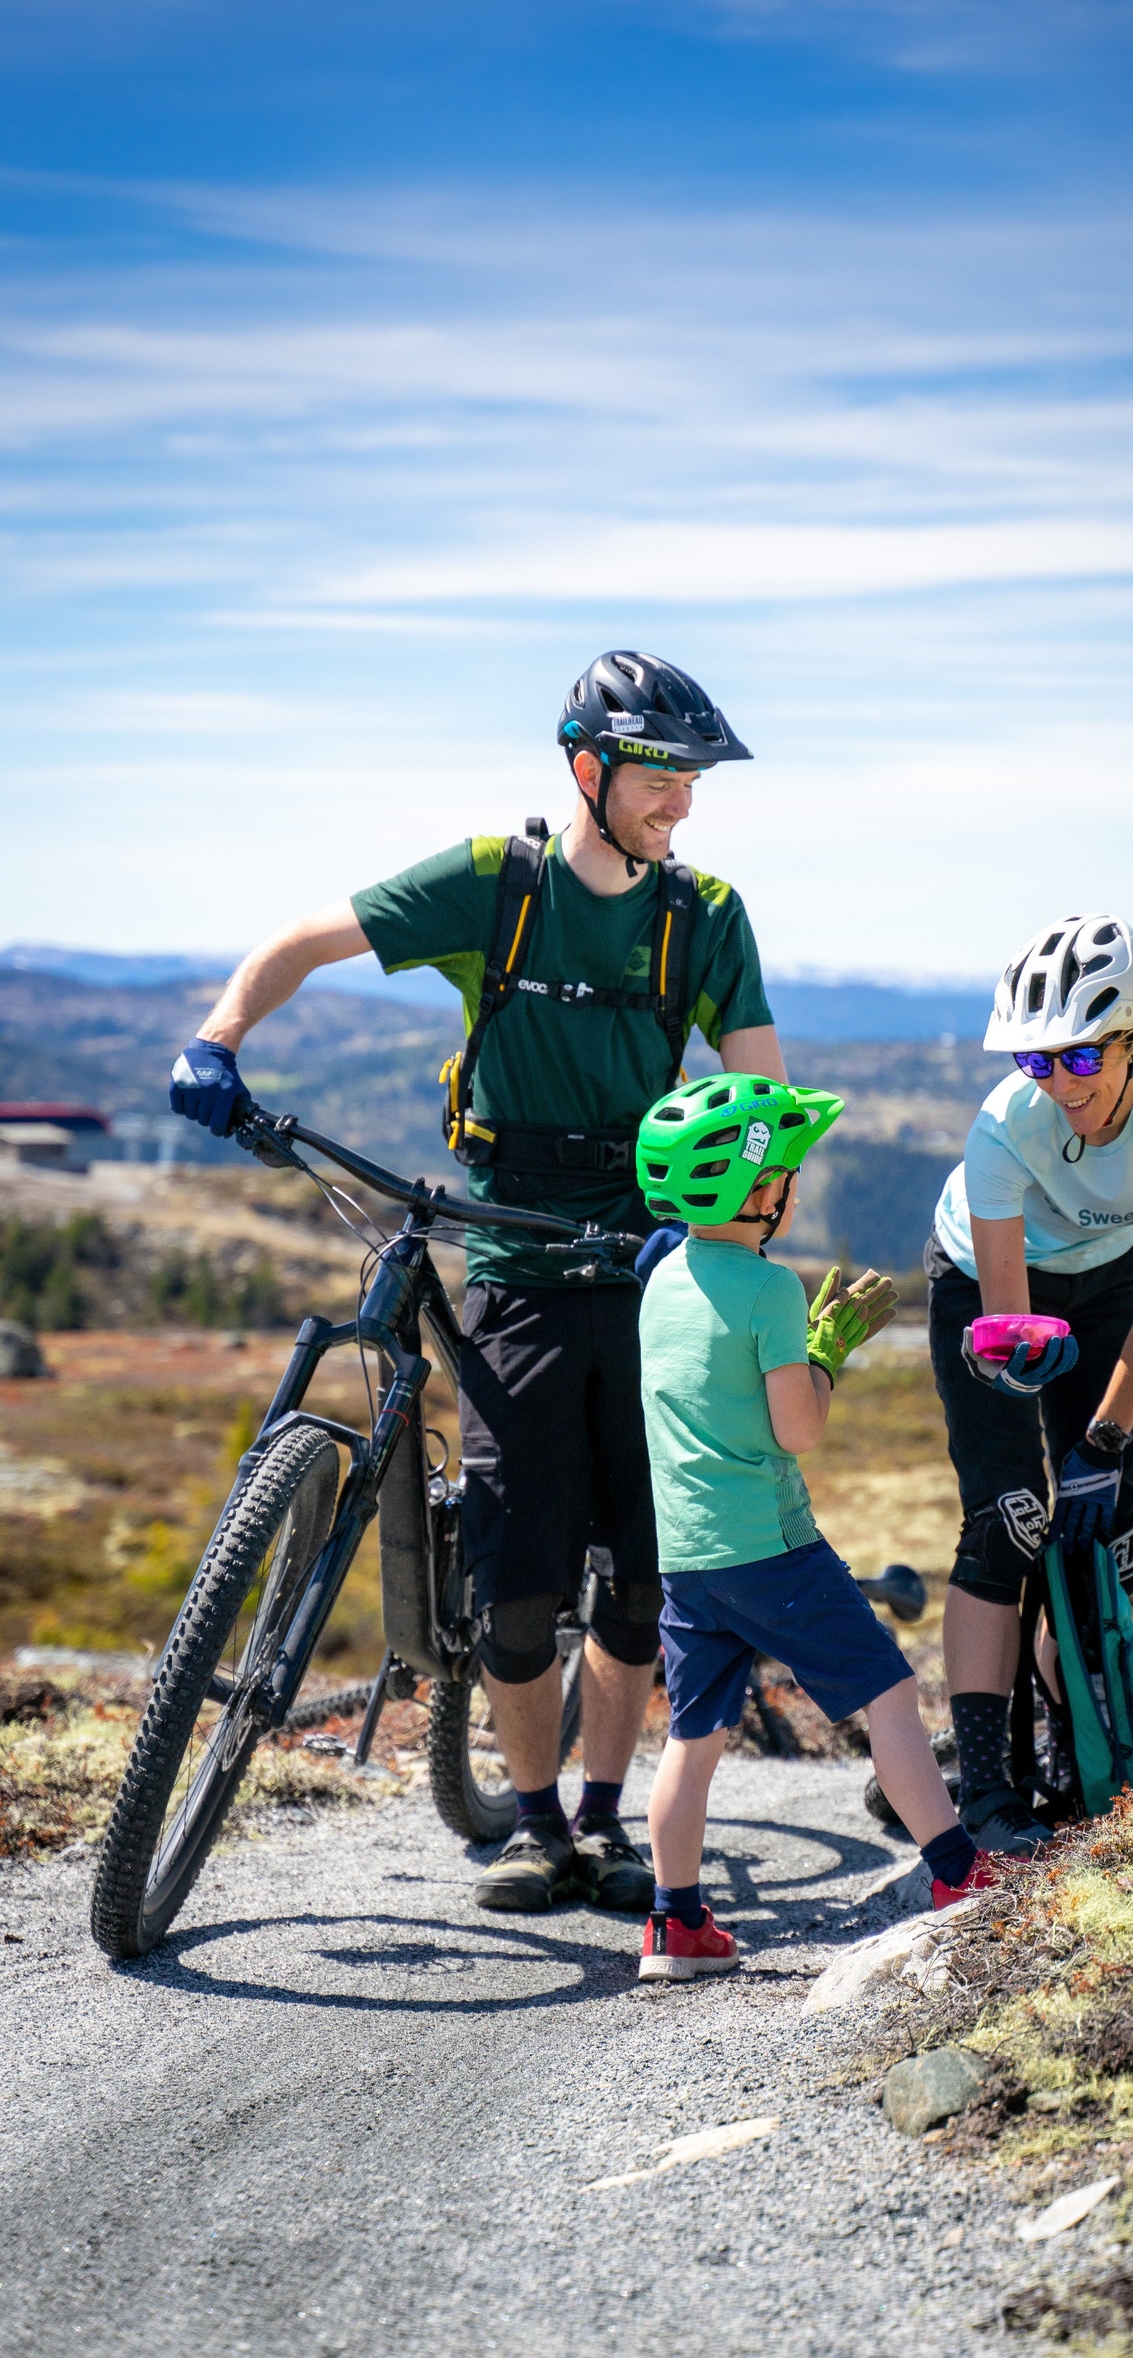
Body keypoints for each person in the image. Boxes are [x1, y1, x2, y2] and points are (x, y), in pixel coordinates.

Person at [168, 651, 786, 1912]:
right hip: (513, 1250)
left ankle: (604, 1819)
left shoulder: (706, 913)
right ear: (588, 770)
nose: (682, 805)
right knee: (512, 1575)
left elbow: (760, 1093)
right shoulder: (496, 883)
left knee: (643, 1573)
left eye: (692, 782)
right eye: (661, 779)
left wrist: (725, 1227)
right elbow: (306, 941)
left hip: (651, 1249)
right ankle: (534, 1824)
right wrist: (218, 1038)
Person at [632, 1072, 997, 1980]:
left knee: (692, 1740)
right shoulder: (773, 1291)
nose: (796, 1184)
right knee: (889, 1693)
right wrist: (825, 1352)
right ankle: (961, 1875)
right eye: (788, 1171)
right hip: (773, 1547)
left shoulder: (661, 1280)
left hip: (687, 1557)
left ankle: (673, 1926)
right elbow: (797, 1430)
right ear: (759, 1189)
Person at [927, 914, 1133, 1854]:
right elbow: (1010, 1329)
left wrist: (1105, 1438)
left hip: (1109, 1284)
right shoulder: (1003, 1126)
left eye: (1082, 1058)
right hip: (986, 1285)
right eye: (1036, 1062)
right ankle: (987, 1786)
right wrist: (1023, 1370)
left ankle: (1079, 1744)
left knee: (1112, 1532)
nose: (1060, 1085)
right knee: (1010, 1518)